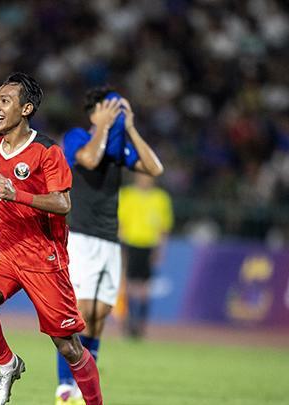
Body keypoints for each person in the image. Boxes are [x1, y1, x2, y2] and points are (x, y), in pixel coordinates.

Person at [0, 72, 104, 405]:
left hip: (44, 255)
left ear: (26, 109)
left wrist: (17, 194)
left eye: (4, 100)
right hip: (6, 246)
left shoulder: (47, 152)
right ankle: (8, 365)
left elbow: (63, 203)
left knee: (68, 346)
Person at [55, 87, 164, 404]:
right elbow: (88, 159)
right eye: (110, 110)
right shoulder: (76, 137)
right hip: (82, 236)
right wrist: (101, 125)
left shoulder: (119, 150)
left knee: (100, 316)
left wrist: (130, 127)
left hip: (110, 241)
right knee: (80, 314)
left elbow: (155, 169)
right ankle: (64, 388)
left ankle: (85, 390)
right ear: (94, 112)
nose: (115, 115)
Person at [118, 172, 173, 339]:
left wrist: (161, 250)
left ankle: (140, 324)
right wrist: (121, 248)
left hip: (150, 244)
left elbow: (164, 227)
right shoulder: (126, 195)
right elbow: (119, 222)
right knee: (129, 284)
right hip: (130, 243)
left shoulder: (161, 198)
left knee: (144, 287)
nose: (145, 180)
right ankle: (129, 322)